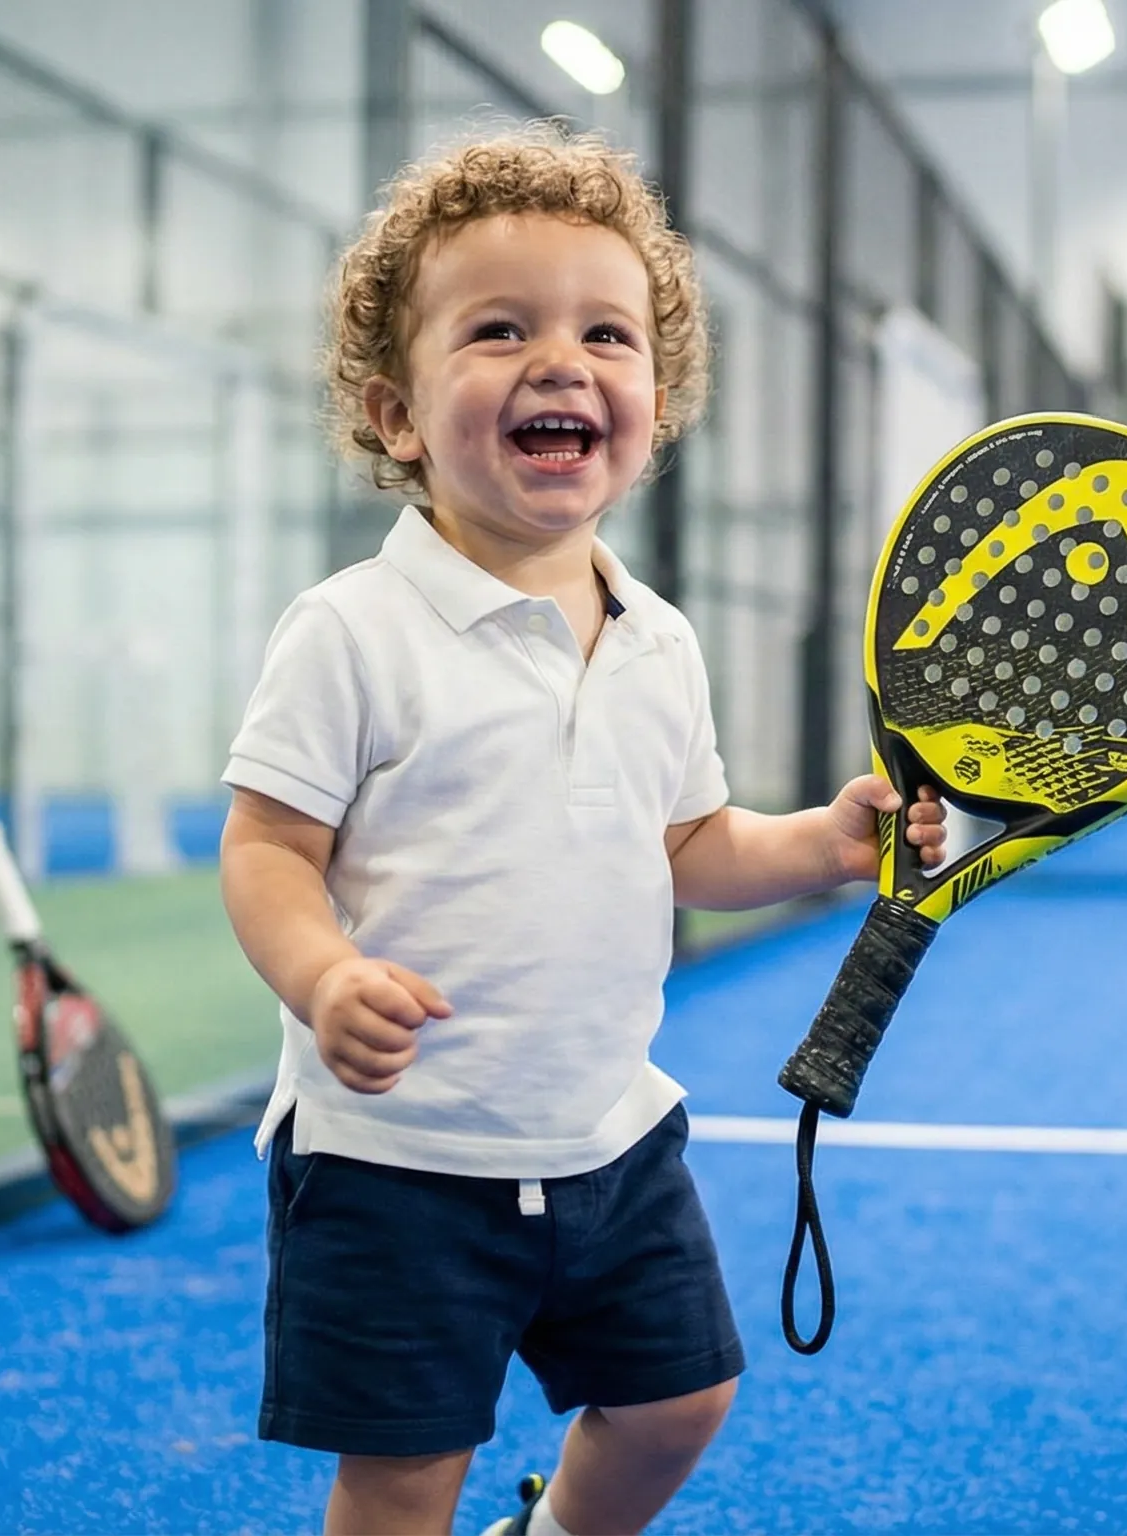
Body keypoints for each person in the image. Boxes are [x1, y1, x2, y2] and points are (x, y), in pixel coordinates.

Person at [217, 123, 946, 1536]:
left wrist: (823, 841)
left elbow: (686, 846)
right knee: (403, 1475)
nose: (562, 361)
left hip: (611, 1138)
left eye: (607, 333)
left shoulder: (660, 639)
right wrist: (321, 976)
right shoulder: (351, 632)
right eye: (499, 329)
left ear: (654, 406)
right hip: (394, 1163)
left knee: (680, 1402)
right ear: (395, 414)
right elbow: (265, 852)